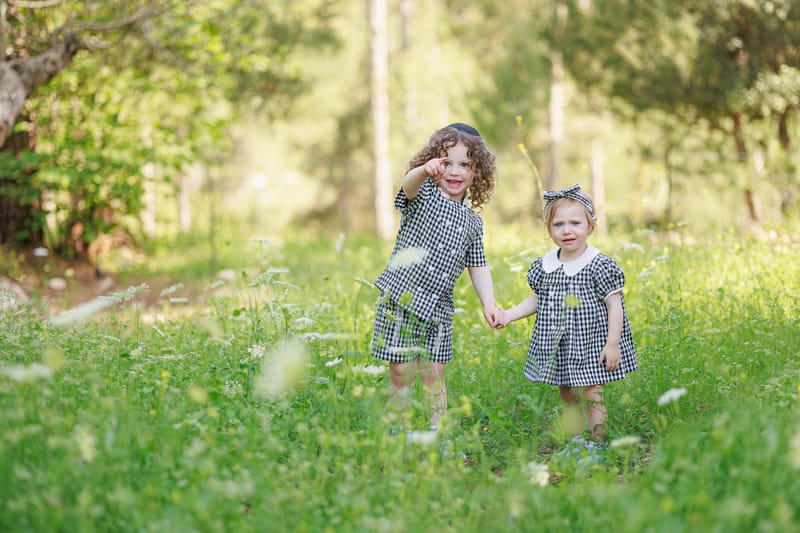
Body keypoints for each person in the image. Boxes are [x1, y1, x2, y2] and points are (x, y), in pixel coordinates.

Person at [370, 122, 501, 433]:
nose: (454, 172)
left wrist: (490, 304)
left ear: (477, 172)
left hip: (439, 308)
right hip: (401, 298)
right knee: (402, 371)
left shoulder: (473, 222)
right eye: (446, 163)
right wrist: (422, 171)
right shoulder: (424, 193)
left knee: (434, 373)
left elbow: (478, 264)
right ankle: (397, 431)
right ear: (434, 164)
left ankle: (437, 434)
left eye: (465, 165)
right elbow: (406, 187)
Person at [497, 184, 636, 452]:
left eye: (575, 223)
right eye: (558, 224)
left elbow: (615, 305)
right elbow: (539, 299)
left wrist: (613, 344)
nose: (567, 230)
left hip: (592, 344)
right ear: (549, 230)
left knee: (592, 394)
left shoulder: (598, 264)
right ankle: (576, 443)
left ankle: (597, 447)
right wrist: (508, 315)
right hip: (560, 345)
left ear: (590, 226)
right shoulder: (546, 266)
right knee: (568, 395)